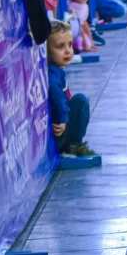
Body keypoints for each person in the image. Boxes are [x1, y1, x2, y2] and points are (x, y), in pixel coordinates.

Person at [47, 21, 96, 157]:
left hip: (58, 130)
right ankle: (73, 146)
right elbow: (56, 96)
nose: (68, 51)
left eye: (70, 44)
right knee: (81, 101)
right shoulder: (52, 75)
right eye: (60, 47)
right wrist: (63, 119)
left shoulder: (57, 70)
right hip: (58, 132)